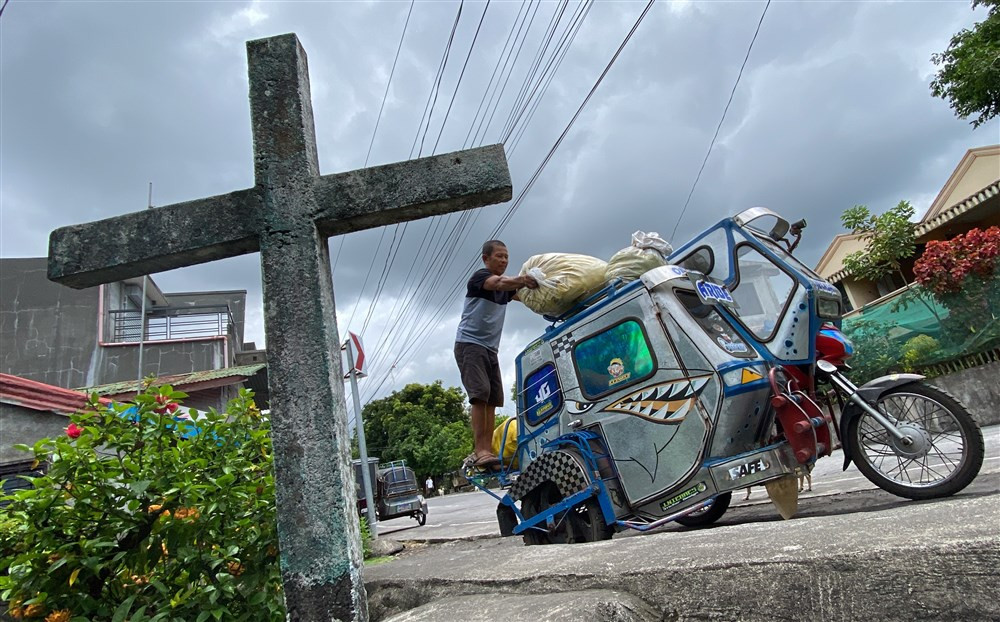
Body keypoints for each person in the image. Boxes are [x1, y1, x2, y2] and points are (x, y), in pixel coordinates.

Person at [455, 240, 537, 469]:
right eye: (499, 256)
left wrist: (545, 290)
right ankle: (480, 450)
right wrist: (523, 279)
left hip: (490, 349)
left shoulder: (505, 289)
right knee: (480, 395)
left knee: (492, 398)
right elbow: (499, 283)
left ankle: (488, 450)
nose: (504, 260)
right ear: (486, 258)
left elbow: (524, 297)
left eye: (506, 257)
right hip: (470, 344)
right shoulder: (481, 278)